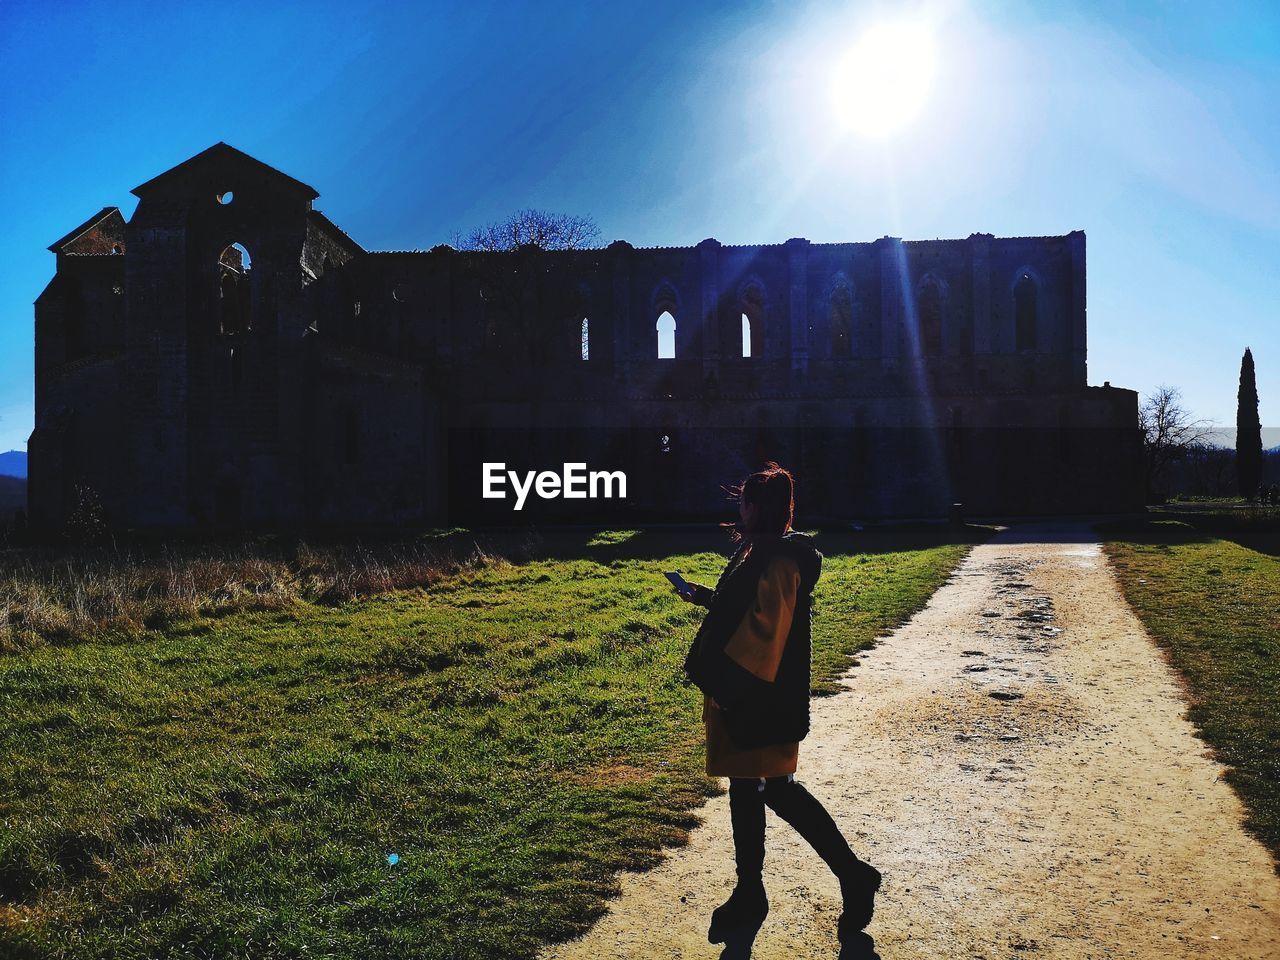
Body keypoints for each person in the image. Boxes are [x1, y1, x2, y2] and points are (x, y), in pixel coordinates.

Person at [678, 462, 881, 944]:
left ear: (756, 506)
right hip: (753, 698)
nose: (740, 510)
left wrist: (727, 686)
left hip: (759, 700)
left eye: (744, 502)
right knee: (750, 790)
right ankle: (751, 891)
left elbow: (764, 634)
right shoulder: (761, 553)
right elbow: (744, 610)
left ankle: (851, 875)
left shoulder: (782, 560)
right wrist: (705, 596)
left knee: (778, 789)